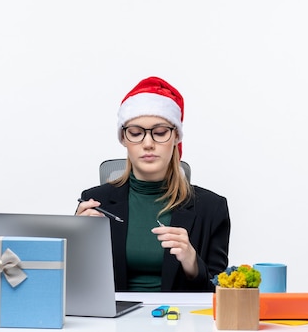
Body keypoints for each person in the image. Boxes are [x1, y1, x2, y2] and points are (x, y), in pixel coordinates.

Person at [76, 76, 230, 292]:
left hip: (179, 322)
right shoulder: (95, 203)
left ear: (176, 137)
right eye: (136, 133)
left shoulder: (211, 208)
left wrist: (192, 262)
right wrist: (77, 241)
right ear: (123, 139)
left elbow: (221, 294)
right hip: (114, 322)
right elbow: (77, 287)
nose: (148, 144)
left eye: (159, 133)